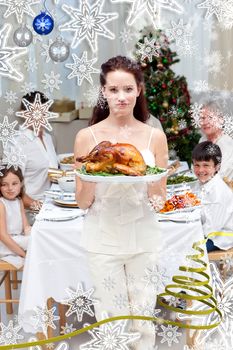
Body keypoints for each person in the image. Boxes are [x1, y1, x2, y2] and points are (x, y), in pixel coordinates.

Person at [74, 56, 168, 349]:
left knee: (143, 317)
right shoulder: (86, 137)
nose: (121, 97)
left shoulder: (154, 136)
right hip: (103, 236)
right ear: (103, 91)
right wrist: (90, 172)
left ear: (139, 90)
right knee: (111, 317)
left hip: (144, 236)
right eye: (113, 90)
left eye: (127, 89)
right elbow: (82, 202)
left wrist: (154, 189)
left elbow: (159, 199)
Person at [14, 91, 58, 210]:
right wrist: (41, 208)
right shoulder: (17, 144)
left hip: (52, 203)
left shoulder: (48, 138)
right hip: (29, 211)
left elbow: (51, 174)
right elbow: (11, 191)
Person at [192, 141, 233, 252]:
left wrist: (189, 233)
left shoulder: (219, 192)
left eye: (206, 165)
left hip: (218, 238)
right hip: (205, 231)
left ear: (217, 167)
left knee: (186, 249)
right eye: (197, 165)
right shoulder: (200, 184)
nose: (200, 170)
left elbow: (212, 229)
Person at [0, 166, 31, 268]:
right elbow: (3, 236)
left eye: (14, 183)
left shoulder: (19, 201)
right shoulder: (1, 204)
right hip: (5, 243)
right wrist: (23, 254)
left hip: (17, 239)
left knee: (39, 239)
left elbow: (26, 227)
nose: (10, 188)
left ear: (21, 184)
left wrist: (31, 235)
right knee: (37, 244)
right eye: (4, 184)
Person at [199, 101, 233, 180]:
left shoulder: (226, 143)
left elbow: (222, 175)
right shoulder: (202, 140)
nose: (205, 122)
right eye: (202, 118)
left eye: (210, 117)